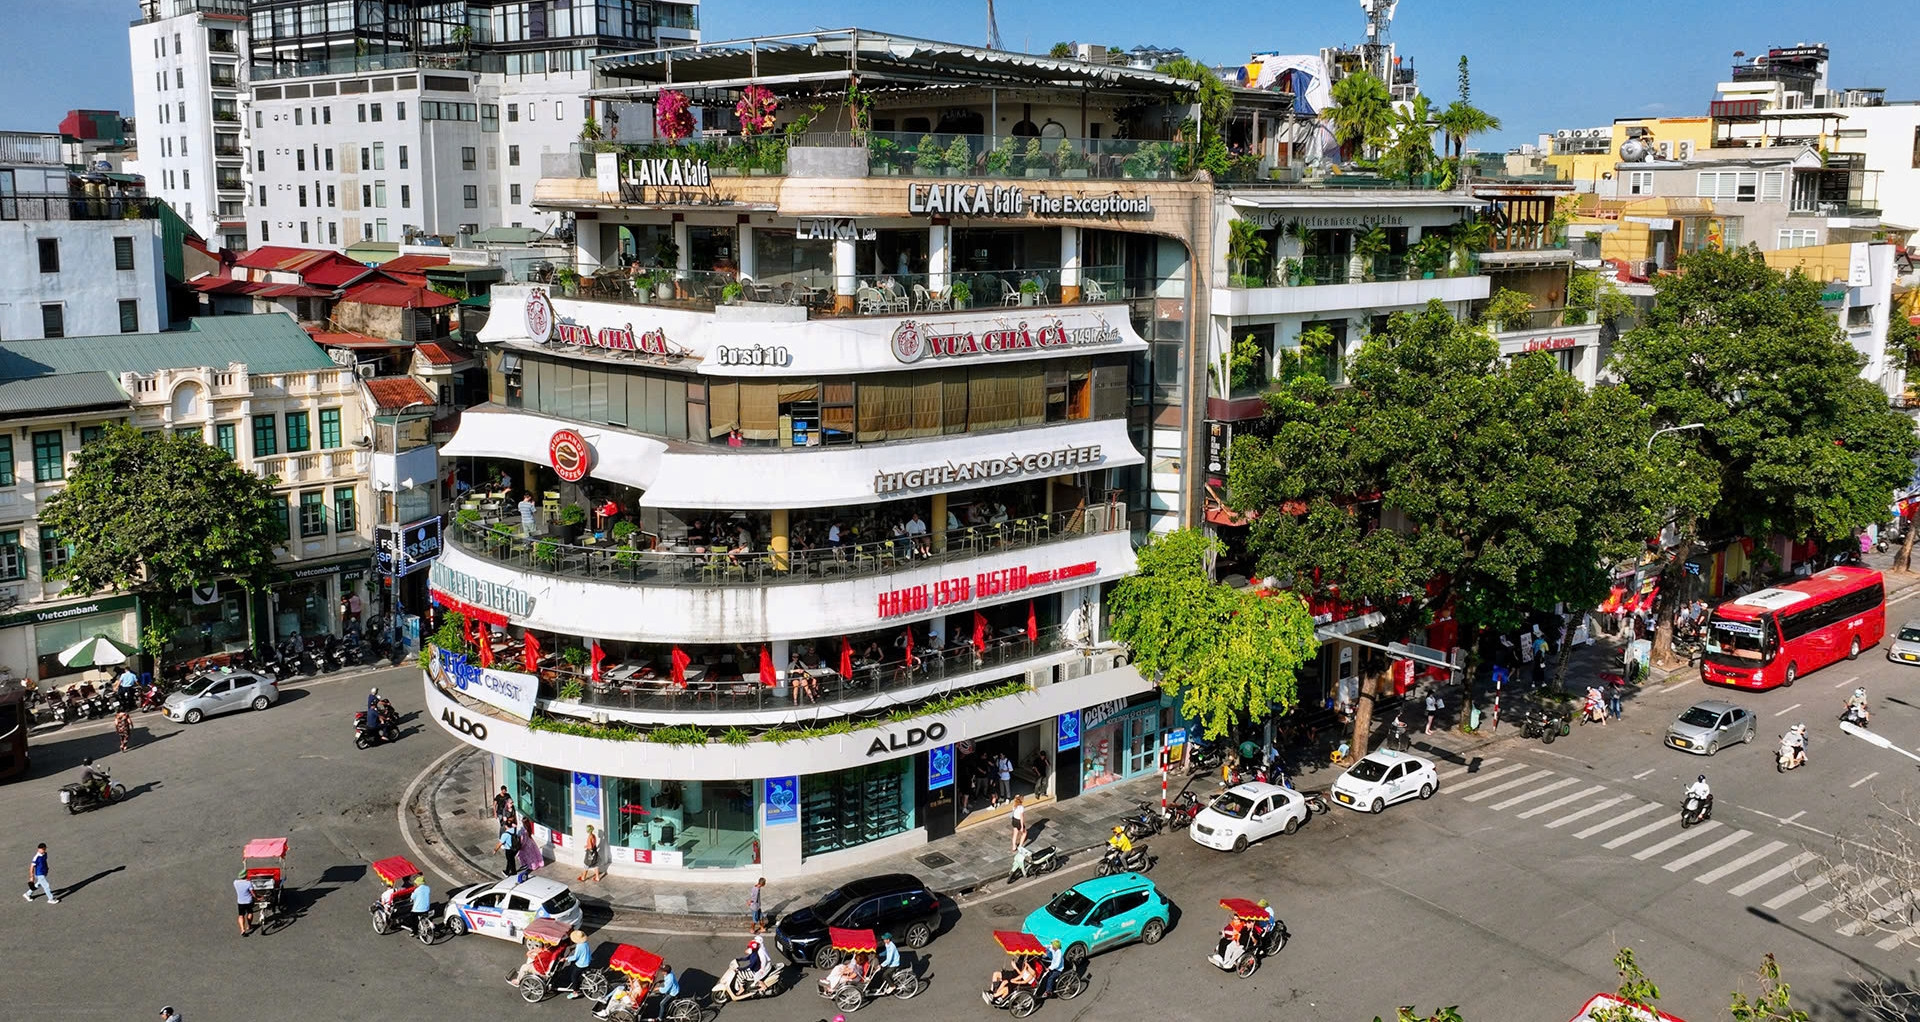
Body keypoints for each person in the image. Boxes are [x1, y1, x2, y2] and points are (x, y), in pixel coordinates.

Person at [558, 930, 593, 998]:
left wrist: (565, 959)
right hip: (587, 960)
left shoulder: (579, 946)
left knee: (574, 977)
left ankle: (575, 992)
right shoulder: (585, 943)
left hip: (582, 964)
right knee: (574, 967)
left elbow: (575, 957)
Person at [234, 869, 254, 936]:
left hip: (240, 901)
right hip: (248, 901)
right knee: (250, 913)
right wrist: (257, 897)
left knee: (241, 915)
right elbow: (252, 893)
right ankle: (249, 925)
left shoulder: (235, 882)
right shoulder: (248, 883)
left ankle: (242, 929)